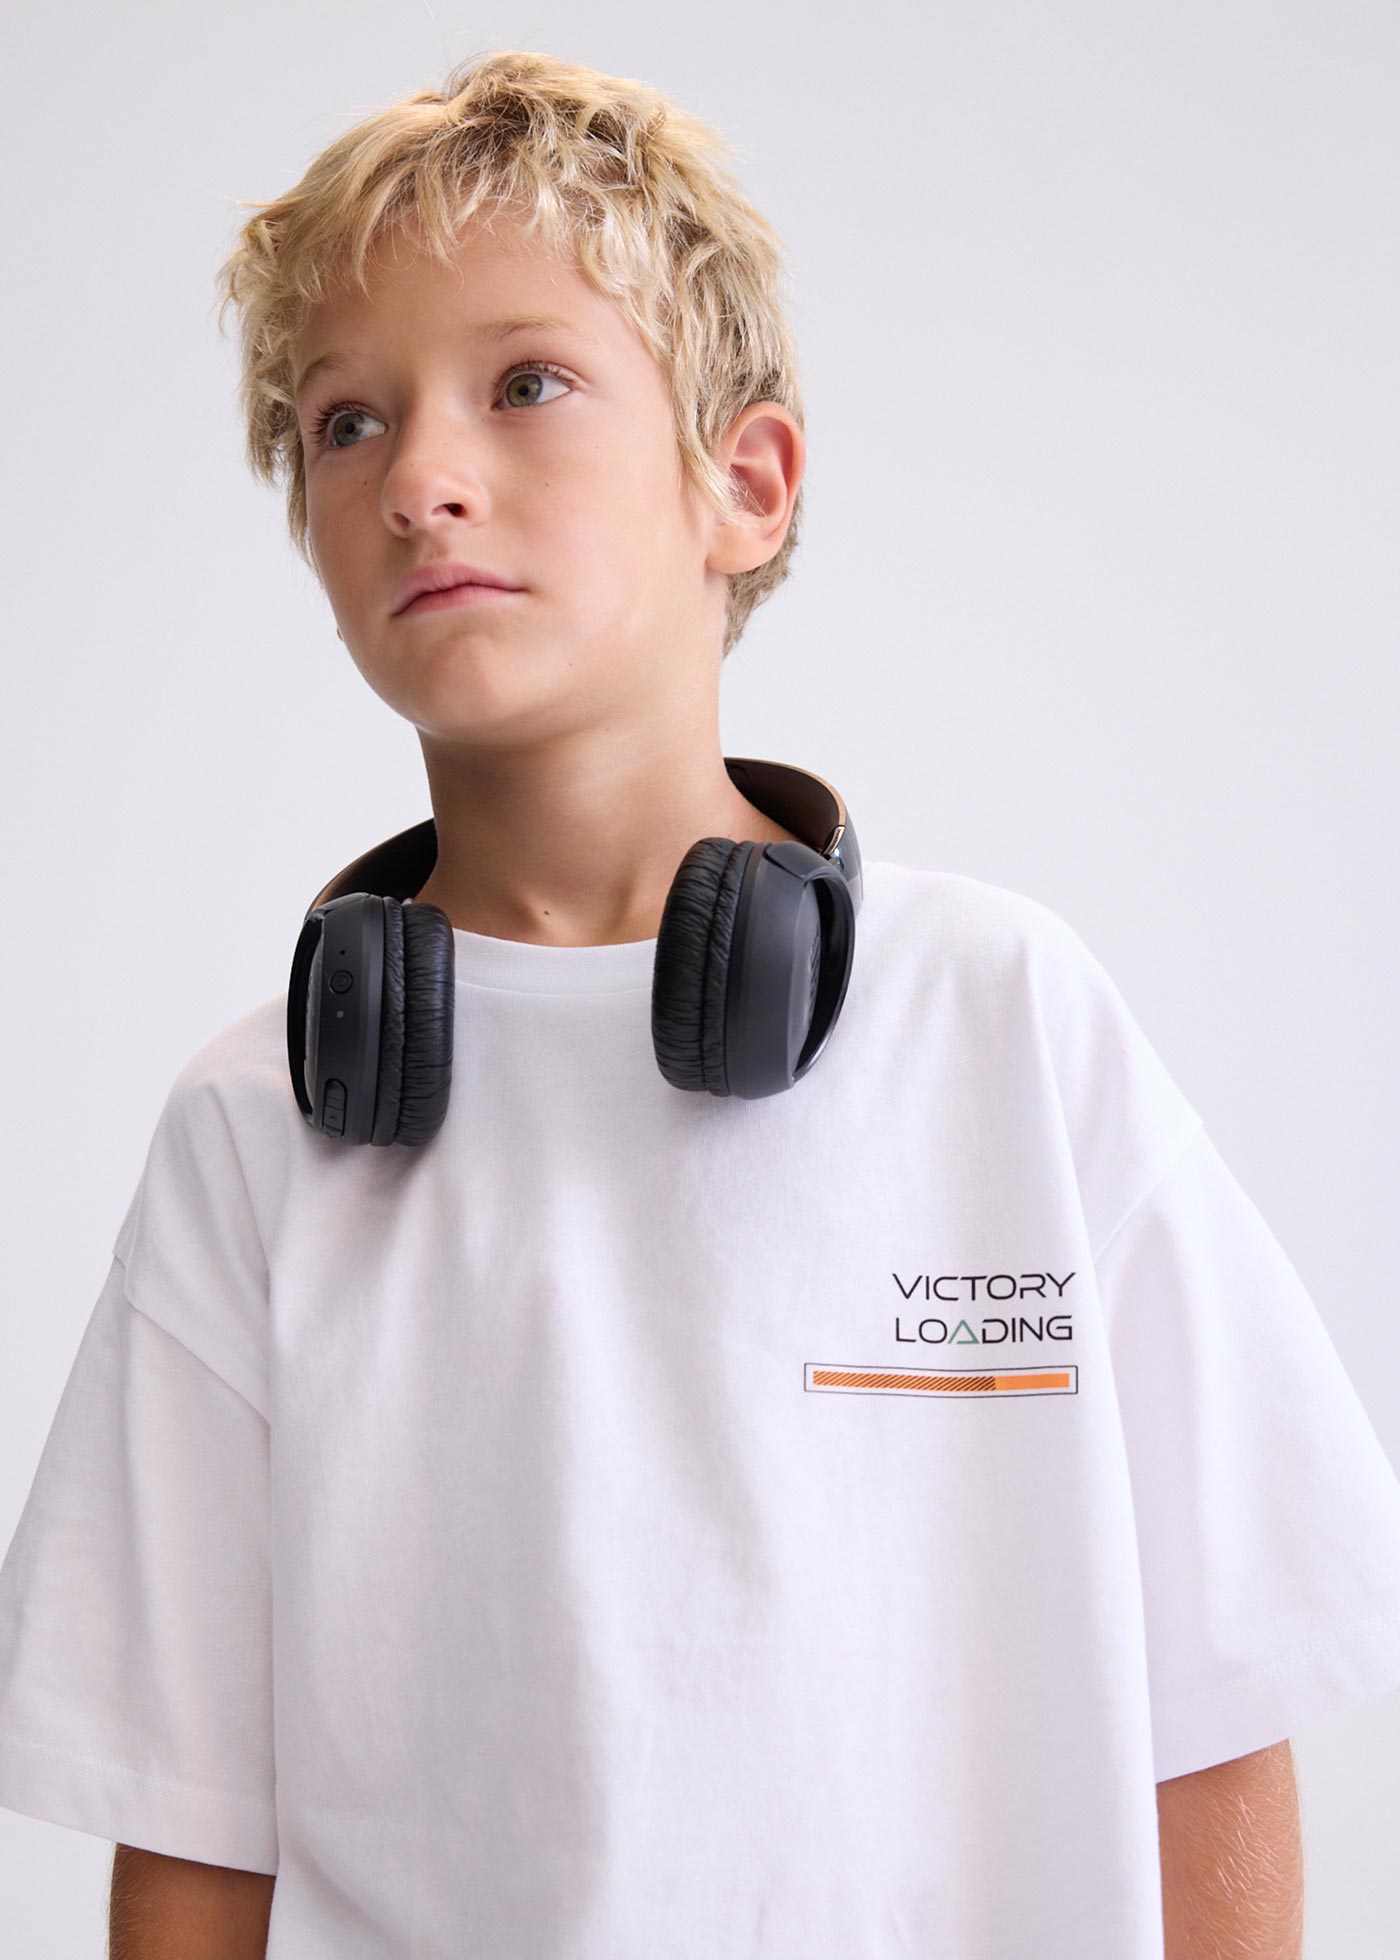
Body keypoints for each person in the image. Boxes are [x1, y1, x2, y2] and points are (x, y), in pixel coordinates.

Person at [0, 48, 1396, 1960]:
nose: (419, 478)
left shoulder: (1000, 1024)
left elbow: (1219, 1704)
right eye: (344, 422)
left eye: (526, 383)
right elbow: (189, 1837)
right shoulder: (256, 1131)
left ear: (743, 484)